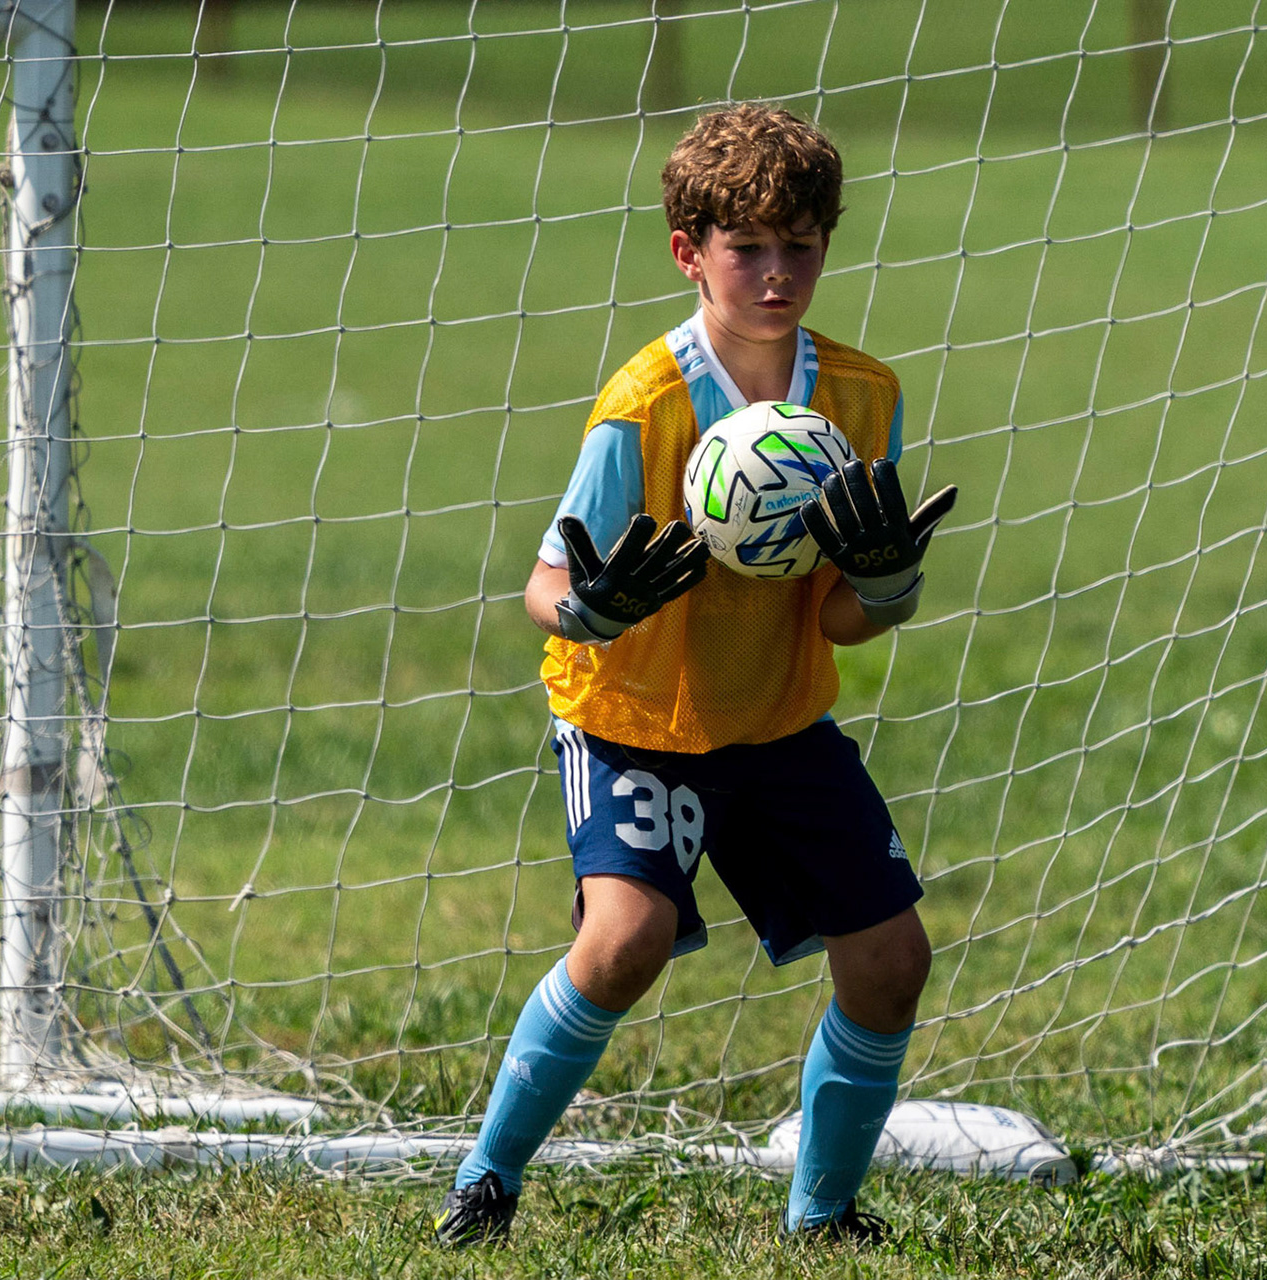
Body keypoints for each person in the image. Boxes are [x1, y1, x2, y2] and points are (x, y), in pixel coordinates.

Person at [433, 102, 957, 1247]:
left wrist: (891, 581)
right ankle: (487, 1180)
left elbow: (843, 613)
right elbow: (544, 583)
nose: (777, 274)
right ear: (690, 252)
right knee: (622, 942)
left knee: (891, 960)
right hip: (635, 717)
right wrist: (593, 606)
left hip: (775, 723)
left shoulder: (861, 400)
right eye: (747, 248)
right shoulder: (645, 406)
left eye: (802, 245)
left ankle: (821, 1216)